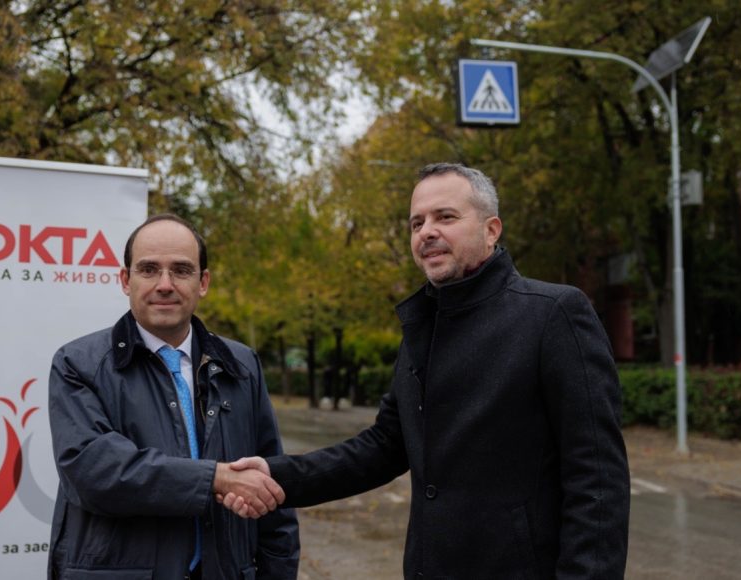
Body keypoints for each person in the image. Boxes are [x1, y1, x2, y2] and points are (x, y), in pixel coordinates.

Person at [227, 163, 630, 578]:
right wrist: (277, 476)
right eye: (416, 223)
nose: (426, 232)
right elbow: (385, 446)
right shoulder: (424, 325)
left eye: (445, 217)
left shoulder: (554, 314)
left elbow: (598, 480)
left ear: (491, 230)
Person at [47, 214, 299, 580]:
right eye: (149, 269)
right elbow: (93, 472)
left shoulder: (242, 365)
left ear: (203, 282)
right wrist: (215, 479)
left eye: (181, 270)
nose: (165, 285)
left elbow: (274, 489)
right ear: (125, 280)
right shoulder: (78, 363)